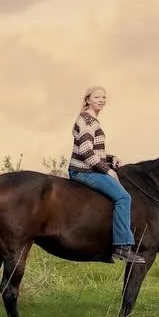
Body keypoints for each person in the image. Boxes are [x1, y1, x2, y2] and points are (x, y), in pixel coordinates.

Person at [67, 85, 145, 264]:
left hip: (86, 168)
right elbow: (86, 153)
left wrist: (110, 159)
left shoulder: (91, 119)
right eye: (97, 97)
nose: (101, 100)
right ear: (87, 100)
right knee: (123, 198)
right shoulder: (87, 121)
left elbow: (91, 150)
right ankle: (122, 246)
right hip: (83, 171)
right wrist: (108, 171)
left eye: (103, 97)